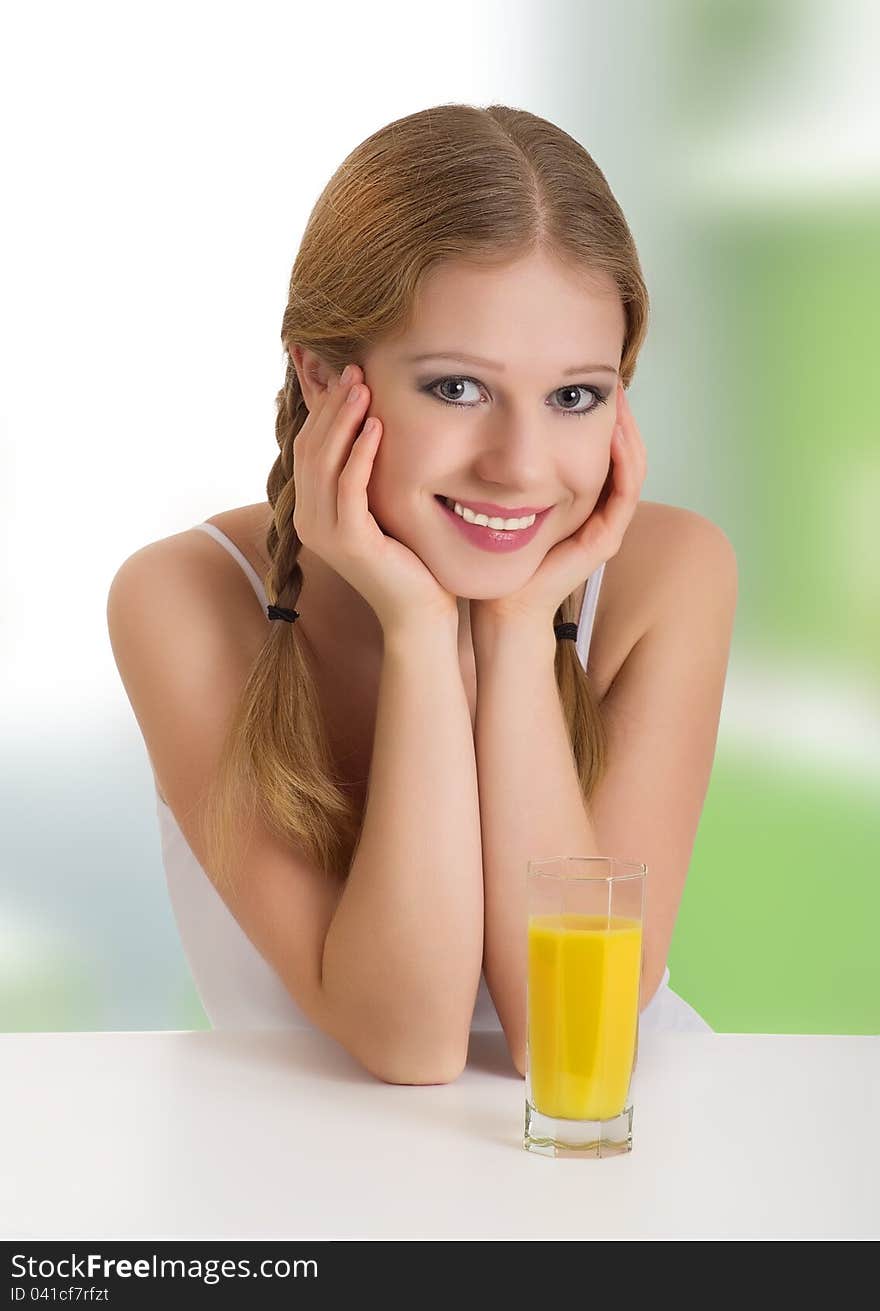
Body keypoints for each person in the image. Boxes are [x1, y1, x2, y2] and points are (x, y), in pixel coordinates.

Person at [107, 103, 737, 1085]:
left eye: (575, 395)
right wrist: (417, 630)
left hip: (602, 1169)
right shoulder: (183, 597)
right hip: (304, 1180)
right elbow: (409, 1042)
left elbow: (575, 1043)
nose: (520, 468)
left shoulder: (672, 576)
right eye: (457, 388)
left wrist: (523, 632)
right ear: (321, 377)